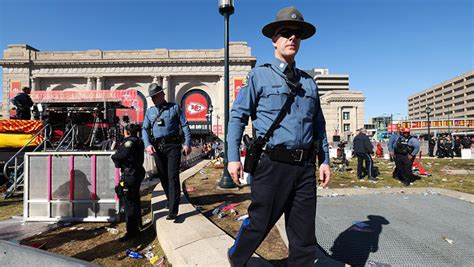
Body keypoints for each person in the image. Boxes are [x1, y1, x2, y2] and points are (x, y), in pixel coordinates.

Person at [226, 6, 332, 266]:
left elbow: (319, 125)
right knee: (259, 223)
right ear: (274, 39)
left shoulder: (309, 83)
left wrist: (325, 159)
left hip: (305, 167)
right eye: (286, 33)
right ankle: (236, 258)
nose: (292, 38)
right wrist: (232, 157)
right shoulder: (259, 76)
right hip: (272, 165)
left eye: (297, 34)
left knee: (304, 235)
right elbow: (237, 116)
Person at [141, 83, 192, 221]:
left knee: (172, 176)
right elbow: (144, 129)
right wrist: (147, 144)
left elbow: (185, 125)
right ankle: (171, 200)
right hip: (158, 148)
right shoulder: (150, 111)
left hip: (173, 146)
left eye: (155, 96)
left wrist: (187, 143)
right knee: (163, 176)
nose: (153, 99)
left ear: (162, 95)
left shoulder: (174, 108)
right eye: (151, 97)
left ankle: (173, 210)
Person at [111, 123, 145, 242]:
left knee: (129, 203)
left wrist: (114, 157)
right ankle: (138, 225)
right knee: (135, 199)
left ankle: (131, 231)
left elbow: (121, 155)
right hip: (136, 172)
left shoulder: (129, 142)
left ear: (127, 132)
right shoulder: (139, 140)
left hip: (130, 174)